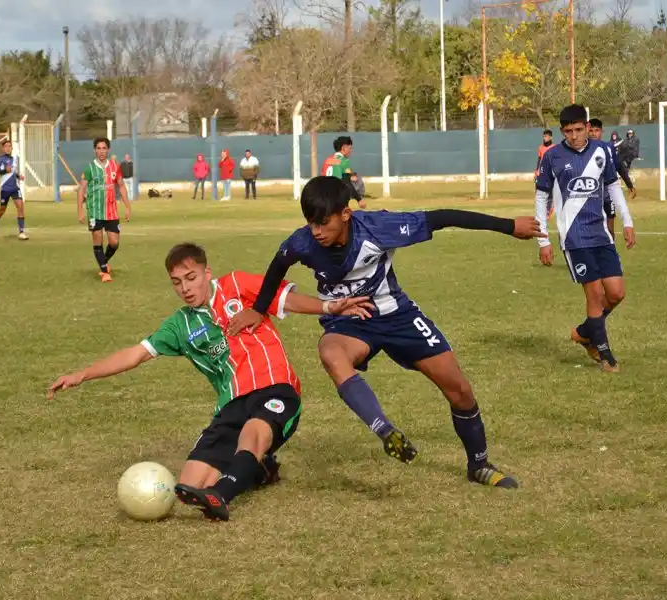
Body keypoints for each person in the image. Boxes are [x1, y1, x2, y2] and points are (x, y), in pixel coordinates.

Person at [228, 176, 545, 488]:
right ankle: (384, 430)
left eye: (323, 223)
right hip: (348, 320)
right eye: (310, 223)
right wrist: (258, 308)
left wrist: (508, 226)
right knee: (330, 352)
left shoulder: (378, 227)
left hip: (398, 316)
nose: (316, 231)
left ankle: (478, 464)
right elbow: (278, 265)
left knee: (459, 389)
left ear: (345, 214)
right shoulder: (303, 242)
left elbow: (442, 218)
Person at [47, 243, 373, 521]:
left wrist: (331, 307)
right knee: (191, 485)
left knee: (252, 432)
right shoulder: (179, 325)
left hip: (275, 387)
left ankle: (223, 497)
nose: (186, 288)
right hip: (231, 404)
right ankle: (259, 469)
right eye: (177, 283)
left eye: (191, 278)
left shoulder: (236, 285)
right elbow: (135, 354)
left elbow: (287, 300)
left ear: (207, 273)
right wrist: (82, 374)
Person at [534, 104, 636, 372]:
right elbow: (541, 196)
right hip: (574, 237)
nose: (574, 136)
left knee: (616, 293)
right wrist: (543, 239)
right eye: (568, 131)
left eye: (579, 130)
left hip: (601, 234)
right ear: (561, 131)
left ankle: (583, 332)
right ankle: (604, 354)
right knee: (594, 294)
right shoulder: (552, 157)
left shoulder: (602, 151)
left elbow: (613, 187)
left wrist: (627, 221)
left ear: (588, 127)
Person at [77, 137, 131, 283]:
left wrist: (127, 206)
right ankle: (104, 271)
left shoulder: (115, 166)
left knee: (114, 243)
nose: (101, 151)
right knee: (98, 240)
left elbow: (121, 186)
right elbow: (81, 189)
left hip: (111, 210)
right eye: (98, 148)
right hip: (95, 210)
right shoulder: (89, 168)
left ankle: (103, 262)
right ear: (95, 150)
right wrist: (80, 211)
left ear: (108, 149)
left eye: (104, 148)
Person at [588, 118, 636, 241]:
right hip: (591, 196)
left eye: (596, 130)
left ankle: (610, 252)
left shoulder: (608, 148)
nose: (593, 133)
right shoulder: (583, 150)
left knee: (609, 230)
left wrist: (629, 185)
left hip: (608, 194)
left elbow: (618, 166)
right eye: (591, 130)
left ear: (601, 131)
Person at [0, 139, 28, 241]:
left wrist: (19, 176)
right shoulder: (0, 159)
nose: (8, 148)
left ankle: (22, 232)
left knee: (20, 206)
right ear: (3, 148)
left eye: (9, 146)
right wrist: (4, 170)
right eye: (6, 146)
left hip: (15, 188)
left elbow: (13, 172)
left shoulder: (13, 159)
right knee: (2, 210)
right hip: (5, 189)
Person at [322, 136, 366, 209]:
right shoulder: (344, 161)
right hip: (337, 197)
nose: (351, 150)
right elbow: (346, 183)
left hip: (325, 196)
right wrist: (359, 199)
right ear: (344, 148)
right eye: (350, 148)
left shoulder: (327, 160)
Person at [536, 129, 555, 218]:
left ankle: (549, 209)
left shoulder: (555, 147)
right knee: (541, 191)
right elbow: (539, 159)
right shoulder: (540, 147)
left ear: (550, 137)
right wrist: (537, 170)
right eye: (544, 136)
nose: (545, 138)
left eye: (546, 136)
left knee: (551, 192)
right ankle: (543, 210)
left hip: (552, 173)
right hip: (543, 173)